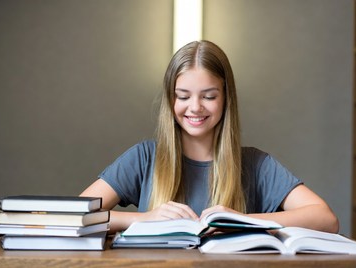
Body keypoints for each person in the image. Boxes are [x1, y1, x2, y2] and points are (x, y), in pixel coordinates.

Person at [81, 40, 339, 234]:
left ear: (226, 98)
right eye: (183, 96)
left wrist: (241, 222)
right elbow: (72, 215)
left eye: (209, 96)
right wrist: (144, 219)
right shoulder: (144, 158)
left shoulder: (255, 164)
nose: (195, 107)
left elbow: (326, 219)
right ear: (170, 99)